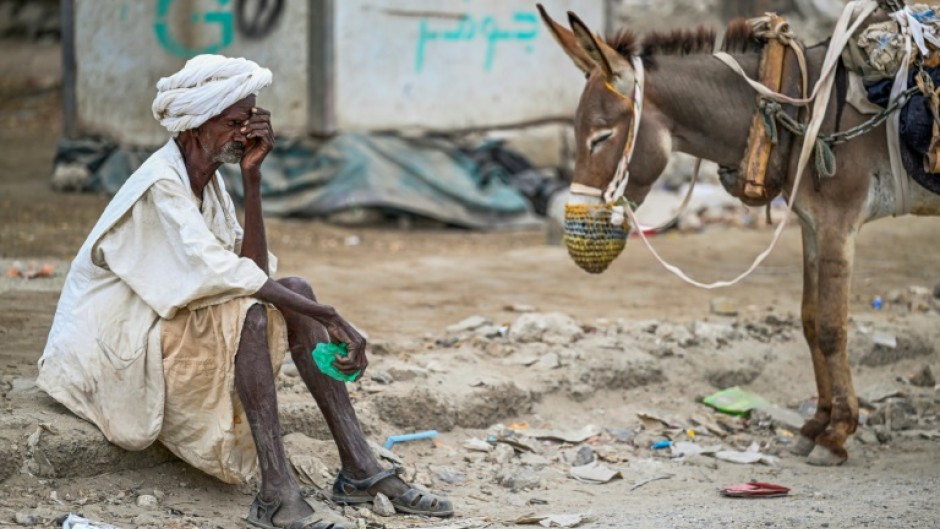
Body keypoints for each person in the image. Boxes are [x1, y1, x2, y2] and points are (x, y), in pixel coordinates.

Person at [37, 55, 452, 529]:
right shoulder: (159, 186)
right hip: (111, 350)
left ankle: (361, 468)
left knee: (294, 290)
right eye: (234, 123)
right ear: (195, 125)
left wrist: (252, 178)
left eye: (251, 121)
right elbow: (224, 276)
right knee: (251, 315)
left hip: (157, 330)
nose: (245, 134)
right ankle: (276, 493)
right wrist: (330, 315)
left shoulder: (208, 183)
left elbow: (251, 270)